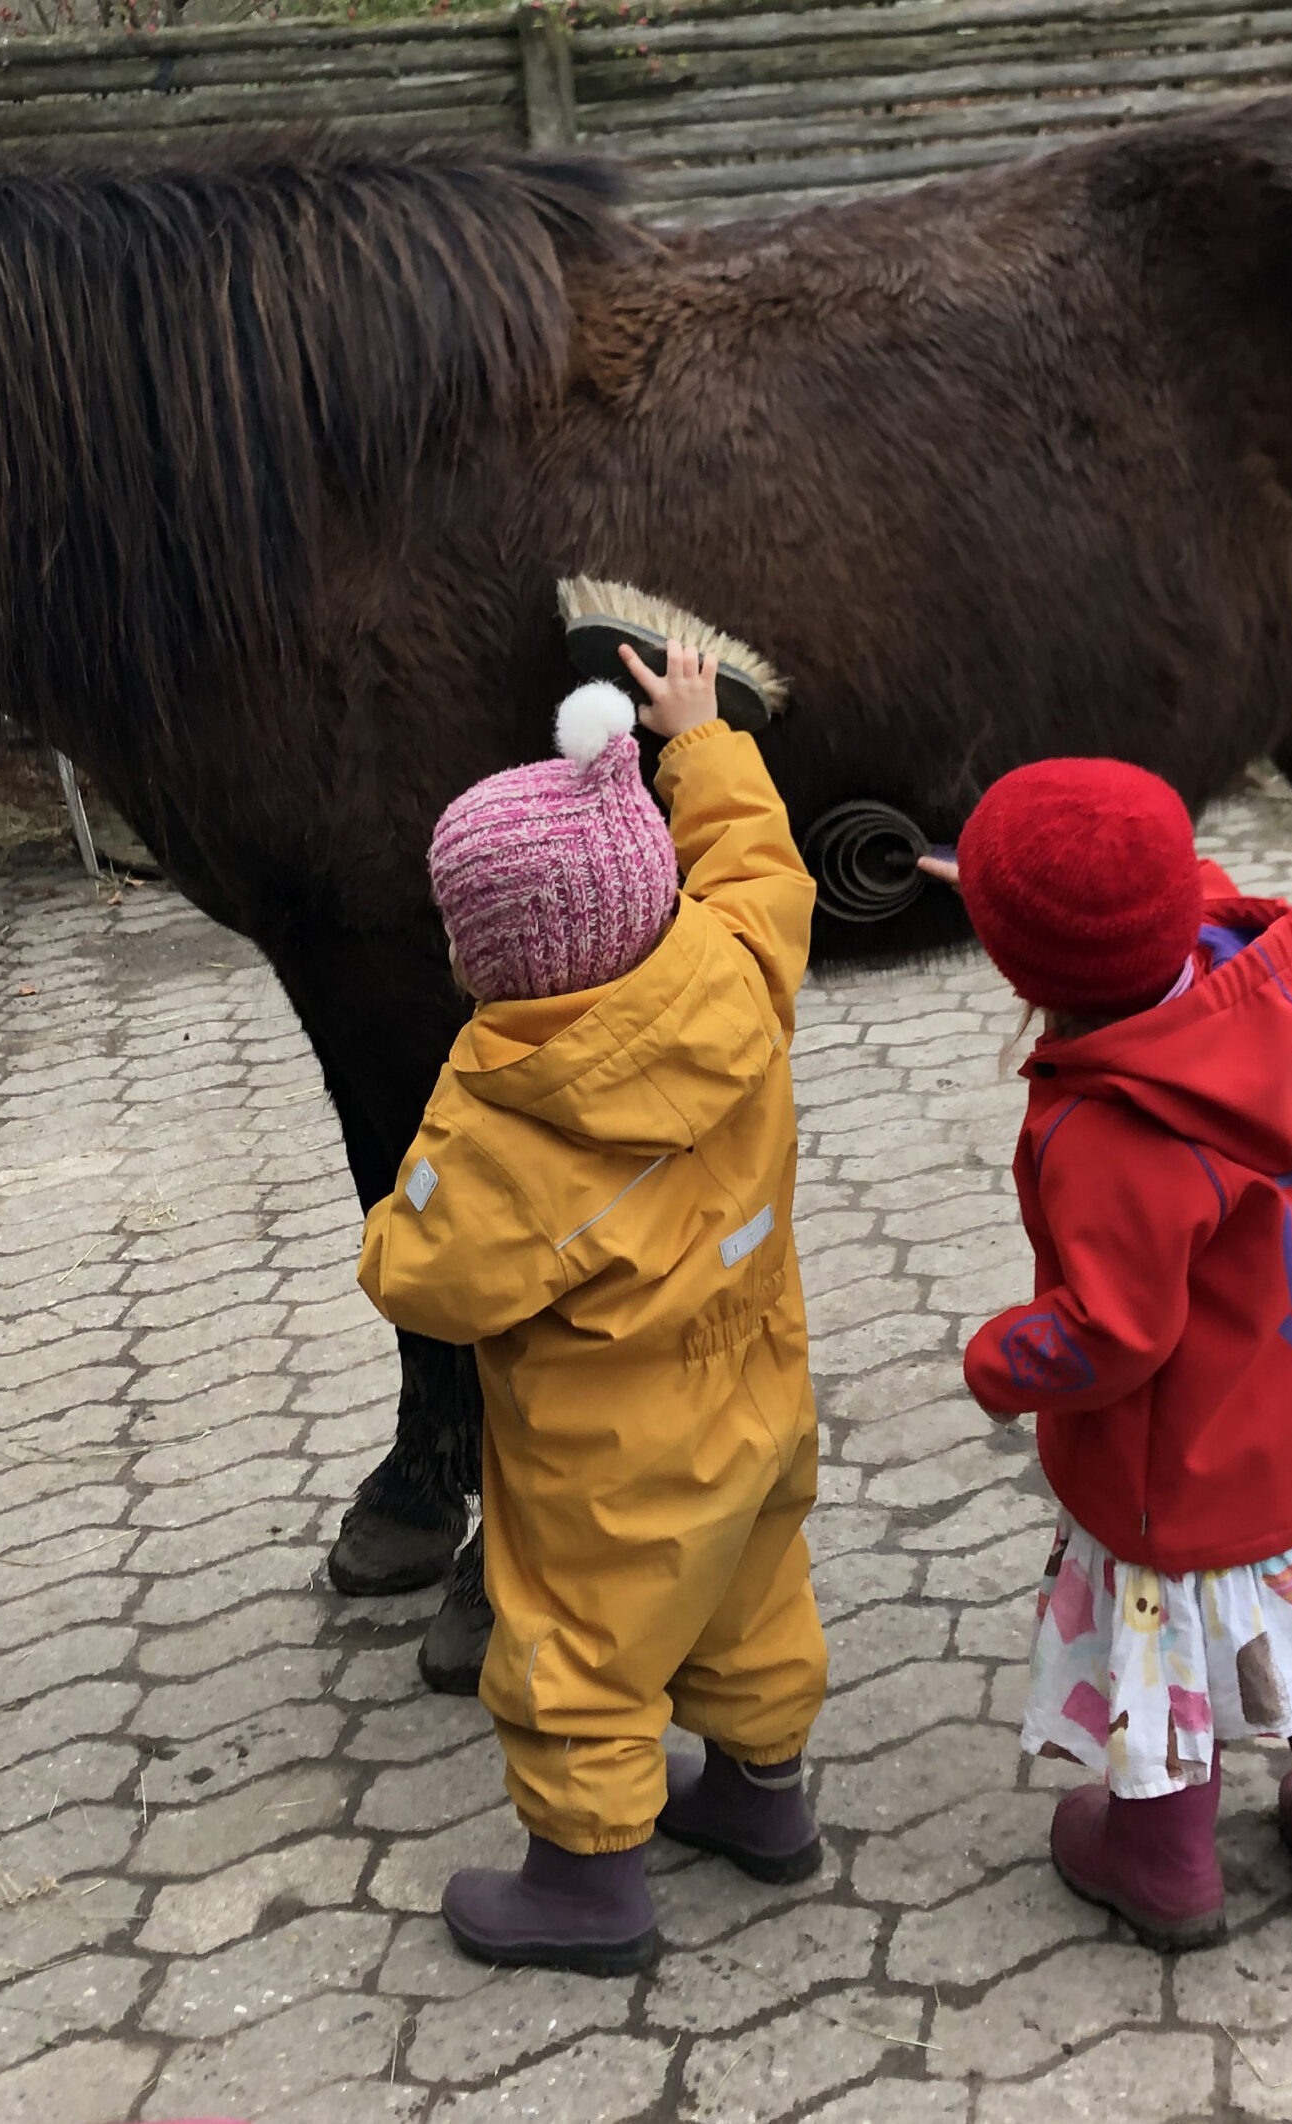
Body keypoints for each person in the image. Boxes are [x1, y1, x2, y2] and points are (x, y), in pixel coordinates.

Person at [358, 641, 827, 1977]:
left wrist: (423, 1174)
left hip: (604, 1466)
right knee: (755, 1591)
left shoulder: (504, 1111)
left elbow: (423, 1279)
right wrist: (702, 741)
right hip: (760, 1393)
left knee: (579, 1653)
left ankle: (584, 1883)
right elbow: (756, 863)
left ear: (489, 959)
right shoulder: (736, 973)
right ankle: (760, 1795)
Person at [928, 759, 1292, 1948]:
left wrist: (1000, 1360)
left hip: (1185, 1478)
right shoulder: (1254, 988)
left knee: (1172, 1660)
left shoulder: (1107, 1131)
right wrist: (1025, 888)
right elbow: (1155, 886)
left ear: (1020, 970)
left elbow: (1112, 1336)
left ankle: (1161, 1868)